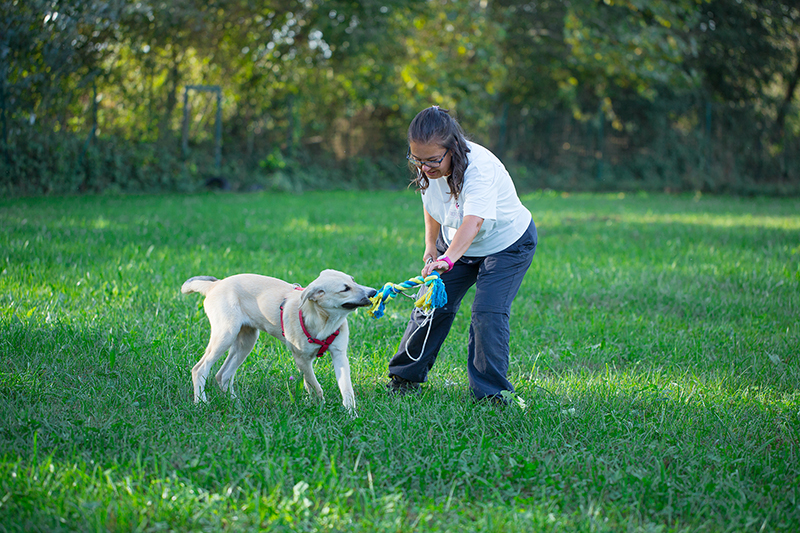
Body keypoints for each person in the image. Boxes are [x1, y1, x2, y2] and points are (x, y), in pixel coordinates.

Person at [387, 105, 538, 402]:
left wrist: (447, 259)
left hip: (506, 245)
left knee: (487, 313)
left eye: (432, 160)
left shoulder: (480, 169)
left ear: (453, 148)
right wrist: (431, 247)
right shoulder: (427, 166)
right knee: (432, 304)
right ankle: (404, 377)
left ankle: (491, 395)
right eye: (416, 160)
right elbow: (432, 205)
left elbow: (474, 221)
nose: (424, 168)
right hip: (455, 243)